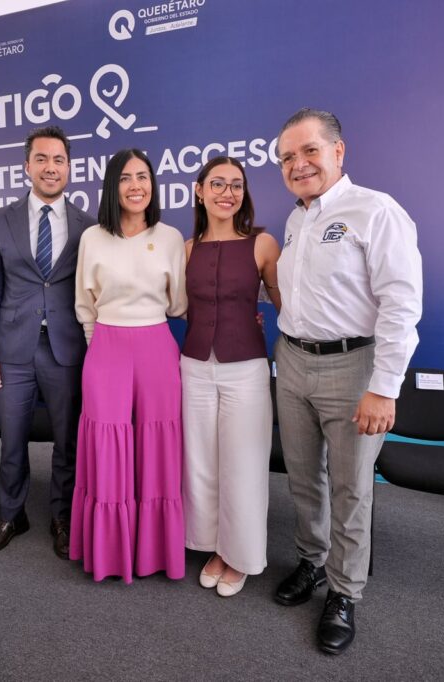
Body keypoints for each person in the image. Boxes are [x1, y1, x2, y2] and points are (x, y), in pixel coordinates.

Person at [272, 108, 422, 654]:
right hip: (291, 361)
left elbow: (401, 305)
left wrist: (384, 387)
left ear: (338, 150)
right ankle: (312, 562)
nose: (298, 164)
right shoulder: (295, 221)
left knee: (351, 487)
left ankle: (344, 591)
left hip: (353, 367)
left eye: (309, 150)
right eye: (287, 157)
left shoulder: (376, 211)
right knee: (303, 477)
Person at [0, 126, 96, 558]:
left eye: (58, 159)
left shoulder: (89, 226)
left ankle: (62, 517)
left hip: (67, 350)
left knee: (67, 441)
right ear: (27, 166)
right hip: (11, 352)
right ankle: (11, 515)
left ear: (69, 167)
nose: (50, 167)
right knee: (12, 438)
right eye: (41, 159)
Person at [70, 148, 188, 583]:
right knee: (108, 446)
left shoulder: (171, 237)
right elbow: (84, 304)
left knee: (157, 448)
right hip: (105, 348)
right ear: (112, 186)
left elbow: (178, 305)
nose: (136, 185)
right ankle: (111, 555)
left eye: (143, 176)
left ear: (153, 184)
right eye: (125, 177)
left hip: (157, 348)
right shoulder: (92, 237)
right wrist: (99, 346)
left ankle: (155, 551)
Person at [181, 156, 281, 597]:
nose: (228, 192)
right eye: (218, 184)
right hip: (194, 366)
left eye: (236, 185)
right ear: (199, 191)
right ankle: (213, 546)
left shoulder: (263, 244)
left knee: (244, 465)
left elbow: (287, 305)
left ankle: (240, 555)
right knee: (201, 463)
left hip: (246, 368)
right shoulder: (187, 248)